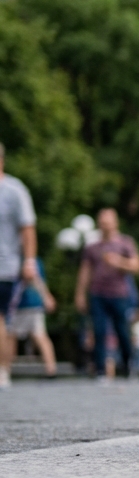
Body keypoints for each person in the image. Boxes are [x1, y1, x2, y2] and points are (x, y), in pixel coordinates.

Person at [76, 208, 139, 382]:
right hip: (97, 293)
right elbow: (85, 272)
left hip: (119, 294)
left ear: (115, 222)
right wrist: (80, 295)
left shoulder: (125, 243)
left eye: (107, 221)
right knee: (98, 331)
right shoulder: (92, 247)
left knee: (122, 331)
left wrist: (118, 261)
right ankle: (100, 370)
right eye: (102, 221)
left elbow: (137, 266)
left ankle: (129, 365)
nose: (104, 224)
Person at [0, 143, 39, 389]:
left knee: (3, 320)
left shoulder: (14, 191)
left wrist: (29, 260)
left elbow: (27, 229)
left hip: (6, 267)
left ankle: (3, 370)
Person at [6, 257, 58, 377]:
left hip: (22, 304)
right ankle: (51, 368)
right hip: (30, 304)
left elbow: (34, 278)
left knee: (11, 337)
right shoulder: (36, 261)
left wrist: (46, 297)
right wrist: (46, 297)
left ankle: (5, 369)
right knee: (38, 335)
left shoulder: (20, 261)